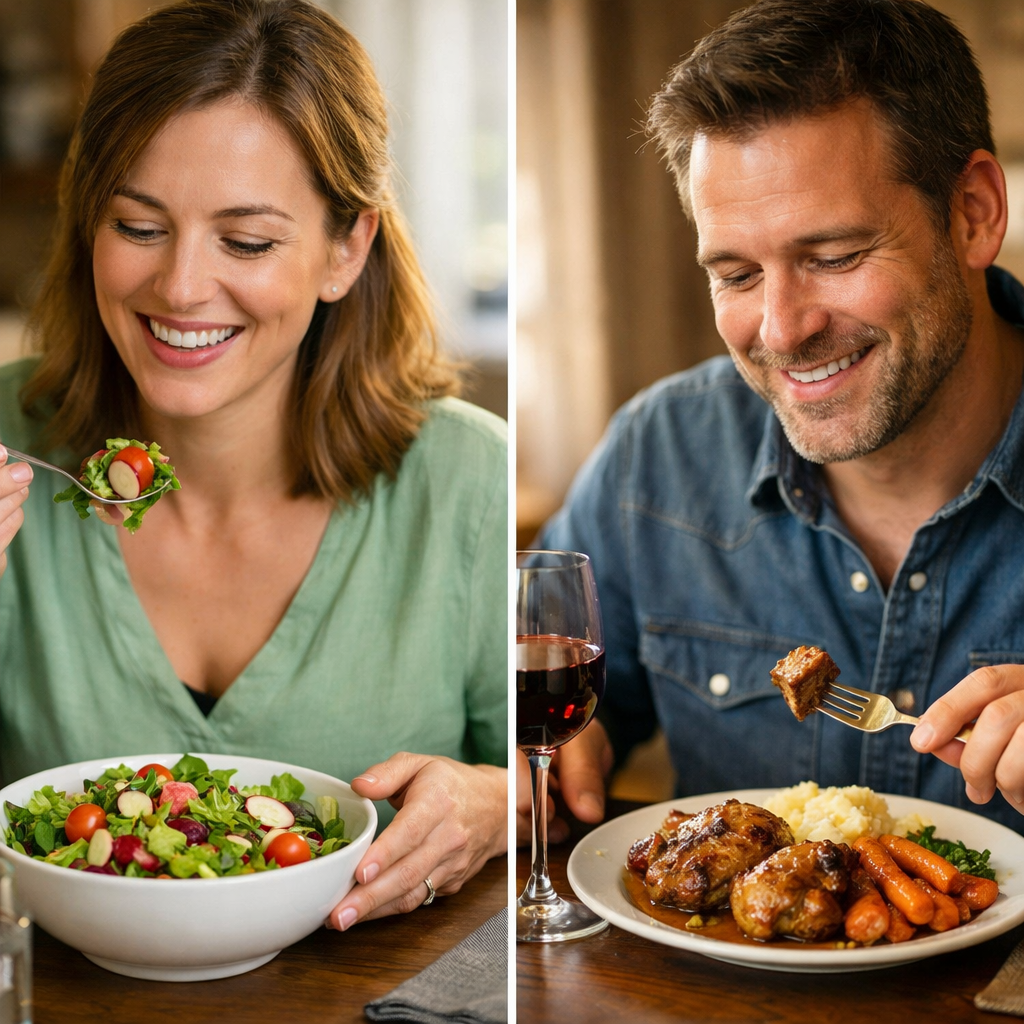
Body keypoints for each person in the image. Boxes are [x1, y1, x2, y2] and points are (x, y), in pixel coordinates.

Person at [0, 0, 507, 930]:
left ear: (345, 249)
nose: (182, 285)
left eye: (247, 241)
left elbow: (550, 777)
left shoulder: (469, 480)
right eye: (138, 226)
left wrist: (497, 804)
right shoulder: (7, 435)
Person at [526, 0, 1024, 843]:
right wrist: (533, 756)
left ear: (972, 212)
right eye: (736, 273)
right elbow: (553, 701)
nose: (782, 329)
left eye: (833, 258)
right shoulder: (660, 456)